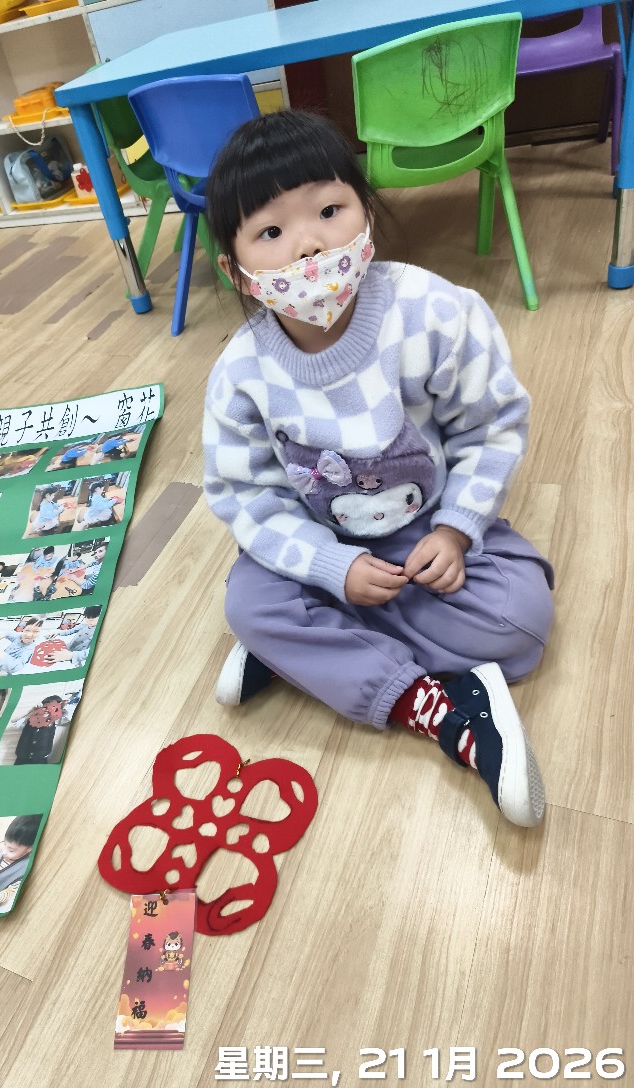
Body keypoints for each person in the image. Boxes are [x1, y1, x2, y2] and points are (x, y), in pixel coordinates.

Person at [202, 110, 554, 829]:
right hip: (318, 544)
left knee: (521, 623)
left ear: (366, 211)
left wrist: (455, 531)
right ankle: (438, 707)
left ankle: (305, 653)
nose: (308, 243)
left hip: (424, 532)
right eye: (271, 232)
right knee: (249, 605)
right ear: (235, 271)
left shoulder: (435, 312)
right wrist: (330, 567)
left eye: (329, 211)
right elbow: (248, 498)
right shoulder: (240, 372)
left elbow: (491, 427)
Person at [13, 694, 64, 765]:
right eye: (45, 707)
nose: (47, 709)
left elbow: (69, 715)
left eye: (52, 707)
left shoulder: (56, 720)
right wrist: (31, 714)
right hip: (22, 757)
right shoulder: (31, 719)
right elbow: (15, 724)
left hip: (40, 758)